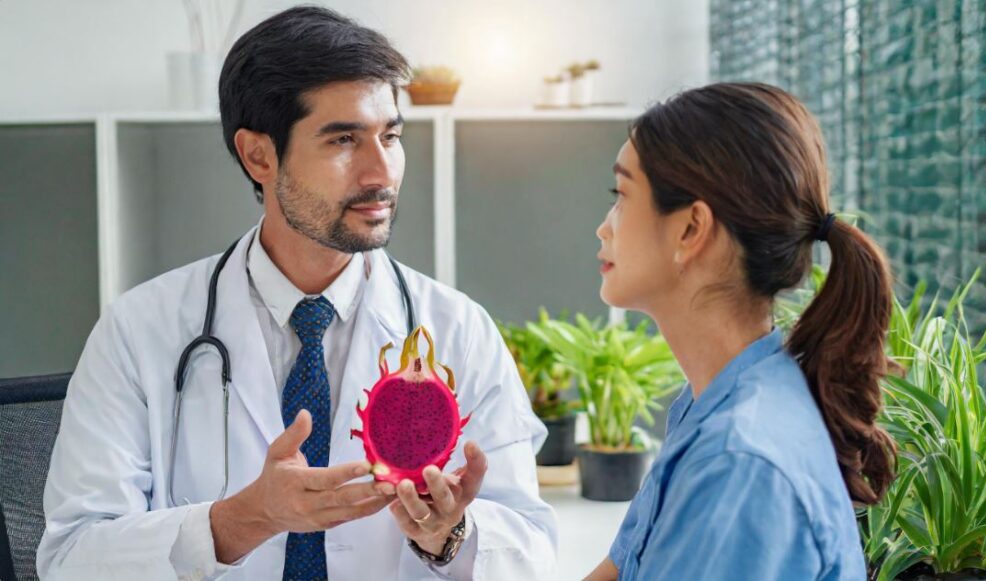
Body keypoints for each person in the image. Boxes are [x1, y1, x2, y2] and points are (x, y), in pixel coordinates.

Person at [37, 7, 556, 580]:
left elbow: (532, 553)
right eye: (343, 140)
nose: (380, 172)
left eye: (391, 136)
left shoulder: (458, 330)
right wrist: (241, 521)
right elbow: (70, 561)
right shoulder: (139, 331)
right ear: (259, 155)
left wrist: (448, 535)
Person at [584, 82, 896, 580]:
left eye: (621, 195)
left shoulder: (740, 462)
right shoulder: (715, 398)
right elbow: (618, 570)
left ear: (691, 229)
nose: (604, 226)